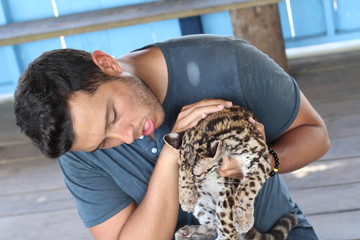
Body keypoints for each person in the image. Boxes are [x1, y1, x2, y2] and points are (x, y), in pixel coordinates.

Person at [14, 34, 330, 240]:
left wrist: (265, 162)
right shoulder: (79, 146)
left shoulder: (226, 61)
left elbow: (316, 135)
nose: (125, 137)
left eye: (112, 115)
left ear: (107, 64)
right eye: (103, 143)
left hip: (277, 232)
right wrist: (171, 153)